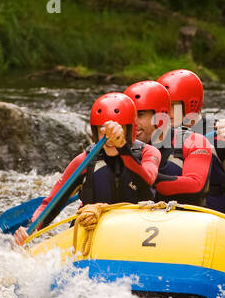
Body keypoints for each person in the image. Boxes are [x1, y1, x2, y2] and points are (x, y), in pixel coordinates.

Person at [15, 92, 160, 244]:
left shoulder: (148, 153)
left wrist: (122, 147)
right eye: (102, 129)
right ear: (95, 132)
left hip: (140, 230)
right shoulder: (84, 161)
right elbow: (52, 203)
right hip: (93, 230)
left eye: (116, 130)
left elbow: (146, 180)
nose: (109, 137)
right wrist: (32, 227)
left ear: (129, 129)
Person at [154, 68, 225, 217]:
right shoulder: (157, 134)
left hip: (213, 219)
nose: (166, 112)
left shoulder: (222, 132)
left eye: (172, 106)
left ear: (192, 104)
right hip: (168, 218)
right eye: (163, 106)